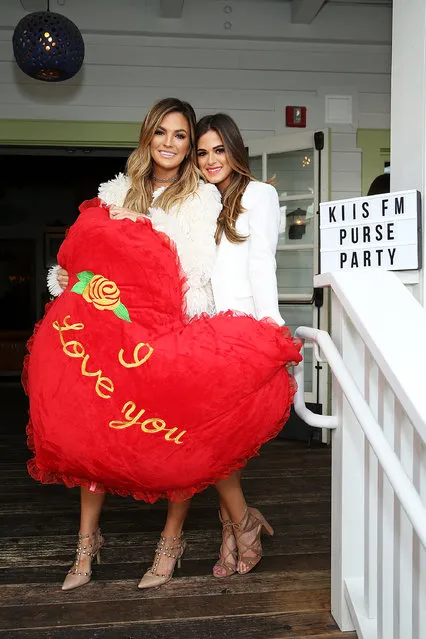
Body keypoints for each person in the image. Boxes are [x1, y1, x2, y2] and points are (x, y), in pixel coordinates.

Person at [32, 101, 301, 592]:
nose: (171, 144)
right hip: (111, 329)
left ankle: (170, 545)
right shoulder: (116, 192)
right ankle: (85, 547)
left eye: (182, 136)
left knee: (180, 440)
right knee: (93, 429)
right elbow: (88, 264)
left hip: (172, 332)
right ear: (147, 136)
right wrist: (75, 283)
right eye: (163, 133)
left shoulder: (202, 198)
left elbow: (205, 272)